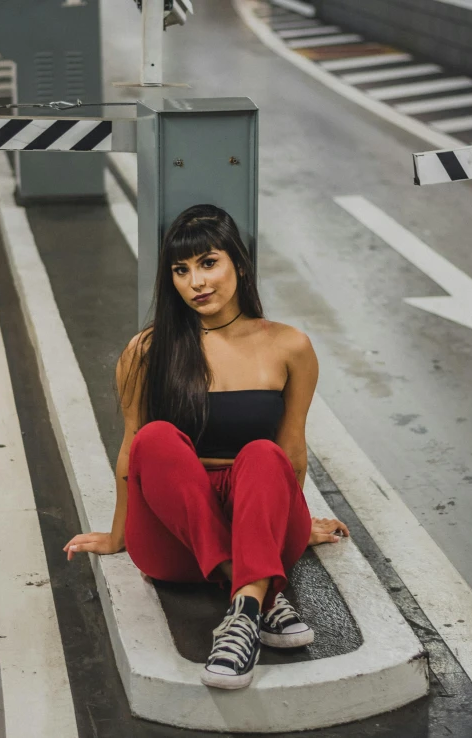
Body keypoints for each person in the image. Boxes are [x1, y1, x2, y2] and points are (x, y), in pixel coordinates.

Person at [63, 203, 350, 691]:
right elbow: (134, 451)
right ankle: (257, 591)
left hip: (256, 513)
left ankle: (241, 616)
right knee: (155, 437)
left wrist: (292, 527)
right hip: (178, 541)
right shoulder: (147, 351)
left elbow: (291, 452)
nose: (195, 281)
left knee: (263, 453)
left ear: (238, 262)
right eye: (181, 269)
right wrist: (117, 537)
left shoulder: (289, 347)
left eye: (208, 263)